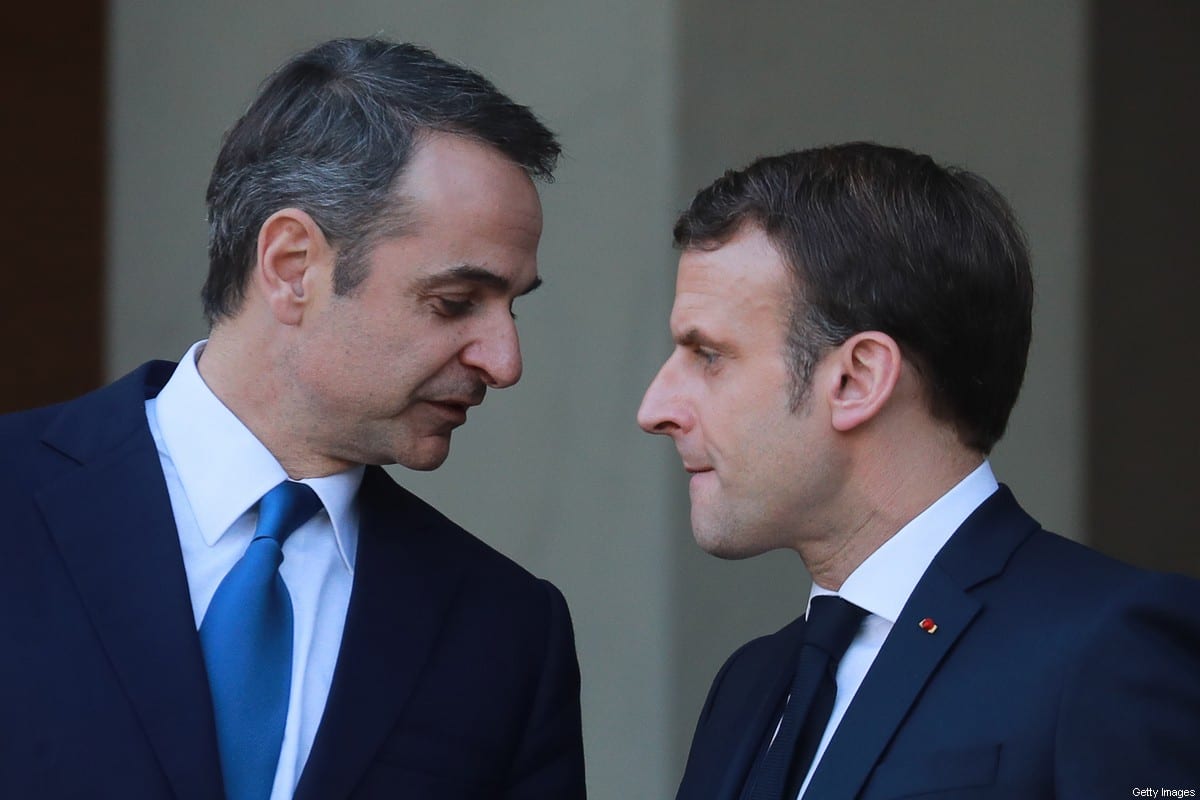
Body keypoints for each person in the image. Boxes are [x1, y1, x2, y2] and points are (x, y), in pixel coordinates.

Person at [1, 37, 585, 800]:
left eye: (512, 306)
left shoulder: (507, 631)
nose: (504, 361)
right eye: (455, 303)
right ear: (290, 267)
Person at [638, 143, 1200, 799]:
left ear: (857, 378)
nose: (656, 408)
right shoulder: (751, 683)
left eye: (708, 355)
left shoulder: (1108, 645)